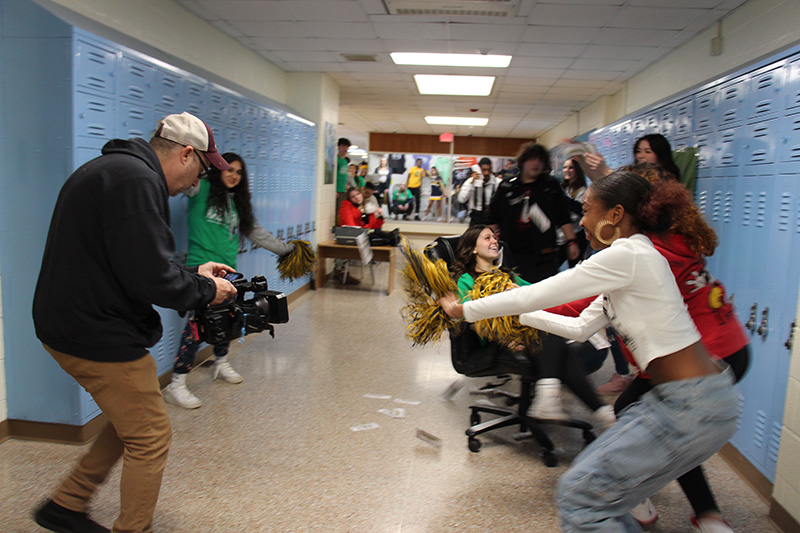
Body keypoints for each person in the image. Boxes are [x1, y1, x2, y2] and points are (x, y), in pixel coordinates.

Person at [439, 170, 740, 531]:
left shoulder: (627, 255)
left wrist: (463, 310)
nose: (581, 222)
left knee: (578, 497)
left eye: (586, 210)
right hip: (682, 399)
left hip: (693, 403)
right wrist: (519, 315)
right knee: (597, 496)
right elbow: (580, 326)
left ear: (613, 215)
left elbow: (540, 292)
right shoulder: (631, 259)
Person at [31, 111, 238, 533]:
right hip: (94, 328)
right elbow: (150, 277)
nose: (196, 184)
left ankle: (66, 504)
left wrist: (194, 275)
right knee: (150, 435)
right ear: (185, 154)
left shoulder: (118, 170)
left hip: (77, 319)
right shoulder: (137, 181)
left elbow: (133, 261)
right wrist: (205, 292)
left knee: (134, 420)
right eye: (200, 169)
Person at [612, 163, 750, 532]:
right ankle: (704, 515)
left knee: (650, 419)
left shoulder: (644, 251)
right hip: (733, 344)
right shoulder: (676, 235)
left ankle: (652, 498)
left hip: (705, 354)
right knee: (669, 423)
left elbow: (596, 301)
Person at [165, 152, 295, 410]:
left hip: (228, 272)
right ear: (218, 169)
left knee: (230, 319)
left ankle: (220, 362)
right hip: (202, 270)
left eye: (238, 172)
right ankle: (176, 382)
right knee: (198, 326)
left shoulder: (237, 203)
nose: (233, 175)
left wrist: (287, 250)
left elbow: (256, 233)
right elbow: (178, 181)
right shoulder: (200, 190)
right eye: (228, 169)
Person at [453, 225, 616, 428]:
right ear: (473, 249)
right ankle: (597, 410)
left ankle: (594, 409)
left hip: (531, 329)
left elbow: (541, 297)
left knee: (560, 343)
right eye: (487, 238)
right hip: (502, 337)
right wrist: (506, 338)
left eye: (494, 237)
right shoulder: (466, 280)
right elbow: (474, 321)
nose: (494, 241)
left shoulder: (508, 275)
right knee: (548, 332)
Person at [486, 143, 579, 283]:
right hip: (512, 253)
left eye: (540, 160)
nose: (536, 163)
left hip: (543, 255)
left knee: (543, 295)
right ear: (522, 162)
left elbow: (563, 216)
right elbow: (493, 218)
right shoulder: (507, 186)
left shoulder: (550, 186)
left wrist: (571, 242)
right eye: (532, 159)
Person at [560, 158, 590, 267]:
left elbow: (581, 210)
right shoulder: (563, 188)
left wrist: (564, 200)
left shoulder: (583, 190)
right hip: (562, 235)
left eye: (570, 167)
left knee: (574, 267)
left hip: (577, 234)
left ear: (577, 170)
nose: (567, 170)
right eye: (564, 167)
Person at [458, 157, 501, 227]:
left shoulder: (497, 183)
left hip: (491, 216)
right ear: (479, 169)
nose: (486, 173)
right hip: (476, 216)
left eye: (488, 170)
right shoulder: (470, 182)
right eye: (484, 170)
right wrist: (472, 183)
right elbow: (462, 199)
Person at [335, 137, 351, 221]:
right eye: (343, 146)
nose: (345, 148)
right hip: (337, 190)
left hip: (343, 190)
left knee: (342, 211)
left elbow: (344, 176)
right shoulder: (335, 160)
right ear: (339, 147)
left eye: (347, 147)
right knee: (336, 211)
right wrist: (334, 190)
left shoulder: (345, 161)